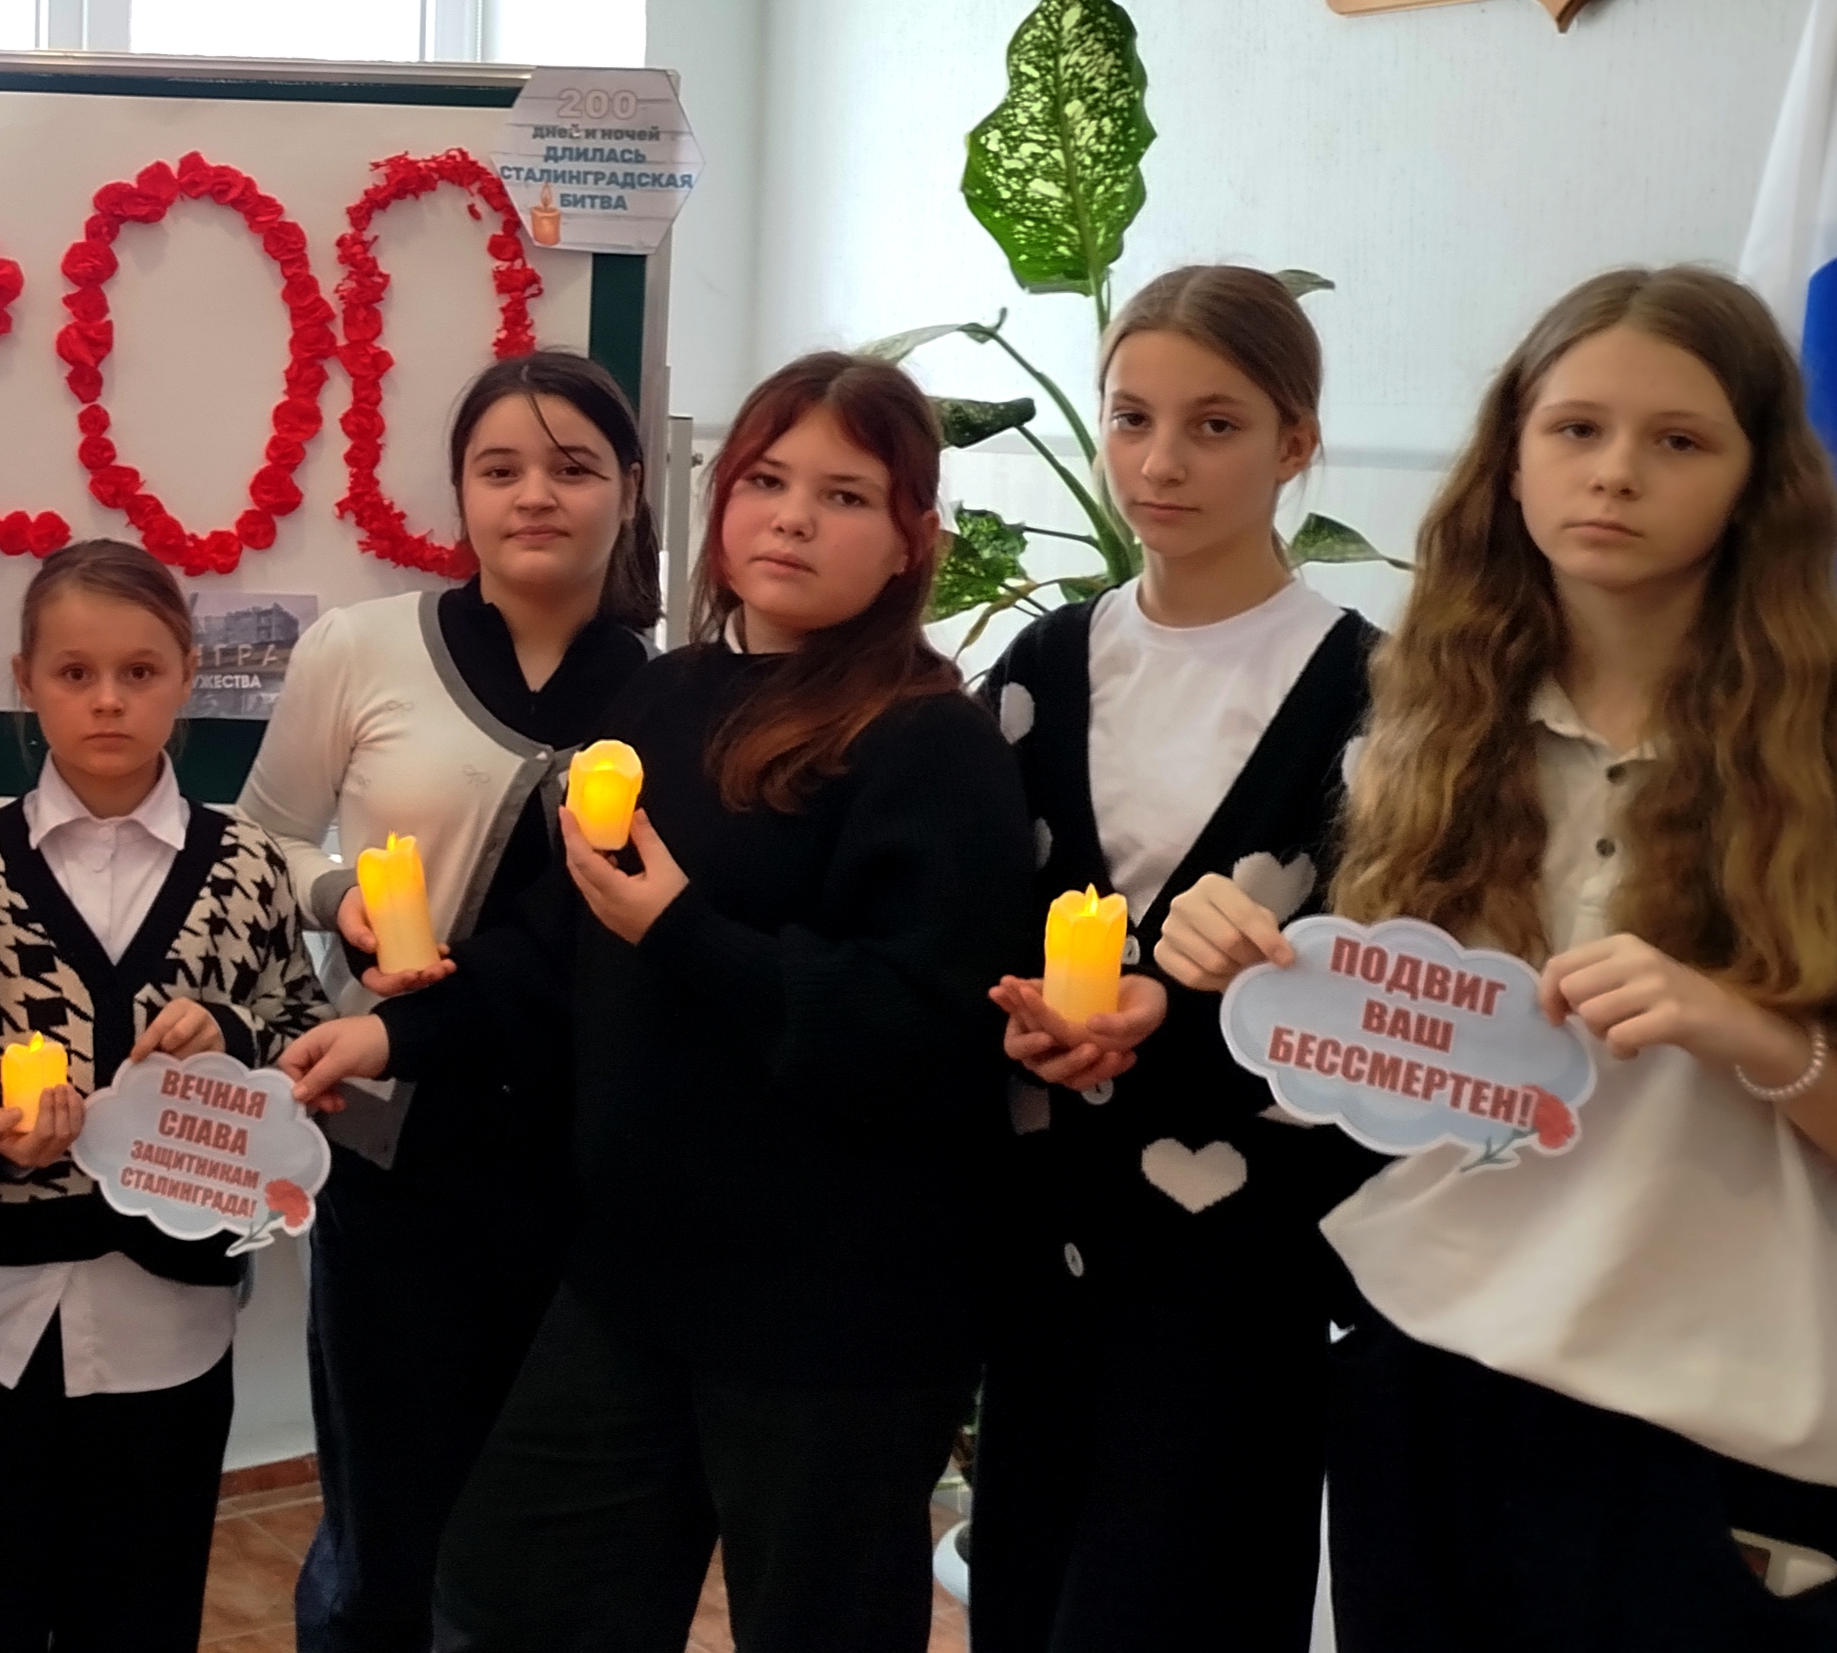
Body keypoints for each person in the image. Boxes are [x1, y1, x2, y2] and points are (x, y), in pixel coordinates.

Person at [281, 353, 1030, 1652]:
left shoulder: (929, 741)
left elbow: (917, 1031)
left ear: (912, 538)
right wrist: (394, 1030)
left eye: (844, 495)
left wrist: (684, 930)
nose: (793, 519)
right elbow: (556, 939)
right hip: (634, 1280)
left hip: (832, 1313)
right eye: (766, 481)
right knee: (503, 1601)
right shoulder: (668, 694)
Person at [1161, 265, 1837, 1650]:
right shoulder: (1424, 728)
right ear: (1511, 456)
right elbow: (1385, 1079)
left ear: (1755, 479)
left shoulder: (1812, 757)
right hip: (1433, 1365)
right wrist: (1262, 981)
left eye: (1676, 439)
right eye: (1575, 428)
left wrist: (1746, 1032)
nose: (1615, 473)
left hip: (1714, 1415)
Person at [965, 265, 1387, 1653]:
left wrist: (1190, 1019)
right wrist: (1012, 1011)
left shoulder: (1379, 696)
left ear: (1294, 441)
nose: (1158, 463)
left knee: (1180, 1590)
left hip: (1244, 1258)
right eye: (1130, 417)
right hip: (1046, 1229)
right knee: (1029, 1578)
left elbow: (1385, 989)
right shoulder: (1040, 664)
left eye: (1213, 425)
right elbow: (967, 909)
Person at [235, 350, 657, 1653]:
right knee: (385, 1523)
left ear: (629, 489)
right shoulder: (360, 647)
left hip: (581, 1164)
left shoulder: (668, 691)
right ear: (459, 492)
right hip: (391, 1145)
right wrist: (336, 899)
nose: (534, 495)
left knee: (545, 1537)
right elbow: (260, 838)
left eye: (571, 468)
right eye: (498, 469)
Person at [0, 537, 327, 1651]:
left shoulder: (246, 868)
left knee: (138, 1608)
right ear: (25, 681)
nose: (106, 700)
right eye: (74, 672)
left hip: (170, 1312)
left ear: (186, 675)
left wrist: (235, 1035)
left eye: (139, 672)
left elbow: (304, 1039)